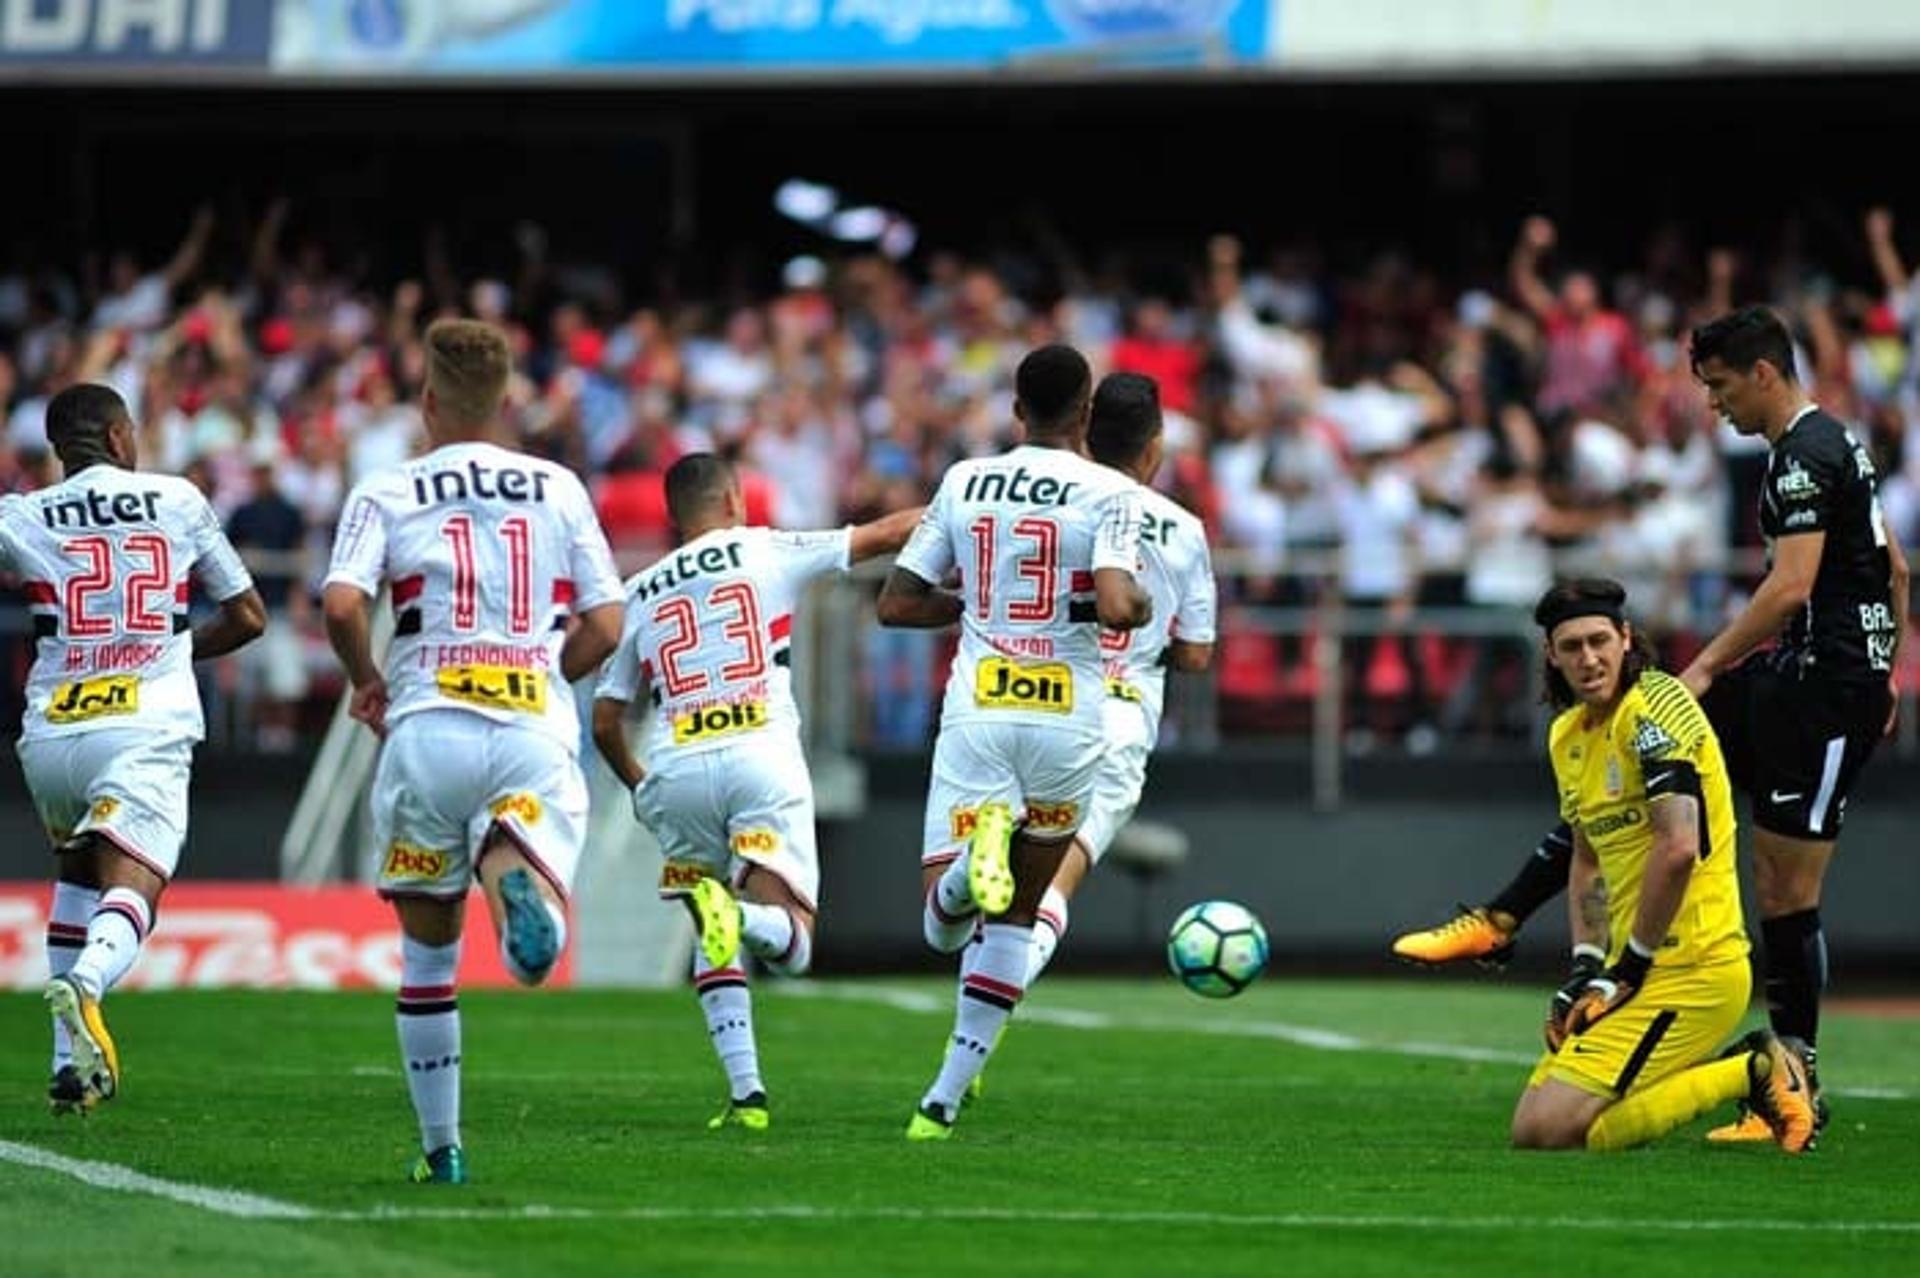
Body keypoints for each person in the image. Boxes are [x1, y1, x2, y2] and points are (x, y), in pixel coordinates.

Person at [1396, 307, 1907, 1145]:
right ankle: (1500, 918)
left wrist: (1709, 667)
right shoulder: (1832, 443)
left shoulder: (1802, 459)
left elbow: (1789, 587)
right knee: (1634, 762)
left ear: (1764, 374)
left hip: (1823, 685)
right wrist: (1891, 661)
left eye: (1718, 386)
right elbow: (1893, 564)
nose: (1713, 405)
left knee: (1786, 889)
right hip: (1816, 676)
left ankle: (1792, 1078)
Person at [321, 320, 625, 1185]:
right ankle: (514, 869)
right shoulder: (558, 486)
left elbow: (342, 604)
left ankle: (442, 1150)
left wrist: (367, 679)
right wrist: (543, 673)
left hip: (425, 726)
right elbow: (607, 623)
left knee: (427, 957)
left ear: (426, 403)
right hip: (529, 720)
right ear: (505, 404)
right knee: (518, 837)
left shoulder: (388, 487)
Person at [590, 453, 921, 1131]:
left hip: (676, 765)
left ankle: (747, 1095)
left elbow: (605, 721)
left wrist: (641, 786)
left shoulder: (641, 589)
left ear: (672, 518)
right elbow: (886, 534)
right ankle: (738, 917)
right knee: (793, 945)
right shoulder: (766, 548)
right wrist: (966, 512)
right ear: (736, 500)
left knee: (710, 930)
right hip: (758, 752)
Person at [876, 343, 1150, 1140]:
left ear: (1017, 411)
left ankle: (971, 861)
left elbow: (896, 603)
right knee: (1019, 920)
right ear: (1088, 414)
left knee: (944, 921)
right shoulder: (1112, 489)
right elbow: (1115, 602)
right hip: (1070, 720)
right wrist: (1121, 607)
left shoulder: (966, 479)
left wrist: (977, 611)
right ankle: (942, 1100)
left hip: (980, 711)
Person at [1, 383, 264, 1114]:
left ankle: (66, 1068)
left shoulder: (20, 513)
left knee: (78, 871)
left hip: (52, 729)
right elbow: (248, 615)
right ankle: (87, 982)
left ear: (61, 450)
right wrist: (176, 650)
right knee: (136, 878)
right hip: (144, 718)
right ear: (120, 437)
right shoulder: (177, 499)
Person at [1509, 578, 1813, 1154]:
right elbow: (1588, 858)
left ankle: (1755, 1067)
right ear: (1551, 655)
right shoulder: (1566, 734)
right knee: (1551, 1120)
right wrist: (1584, 966)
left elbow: (1677, 847)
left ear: (1626, 639)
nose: (1588, 658)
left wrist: (1627, 968)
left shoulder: (1658, 705)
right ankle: (1731, 1070)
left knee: (1544, 1131)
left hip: (1692, 969)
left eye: (1599, 640)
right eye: (1571, 647)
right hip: (1637, 972)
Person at [960, 371, 1215, 1011]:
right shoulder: (1183, 530)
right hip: (1122, 713)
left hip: (1039, 695)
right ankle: (982, 1025)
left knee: (1003, 883)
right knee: (1052, 890)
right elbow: (1196, 654)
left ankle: (976, 897)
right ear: (1154, 448)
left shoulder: (1066, 501)